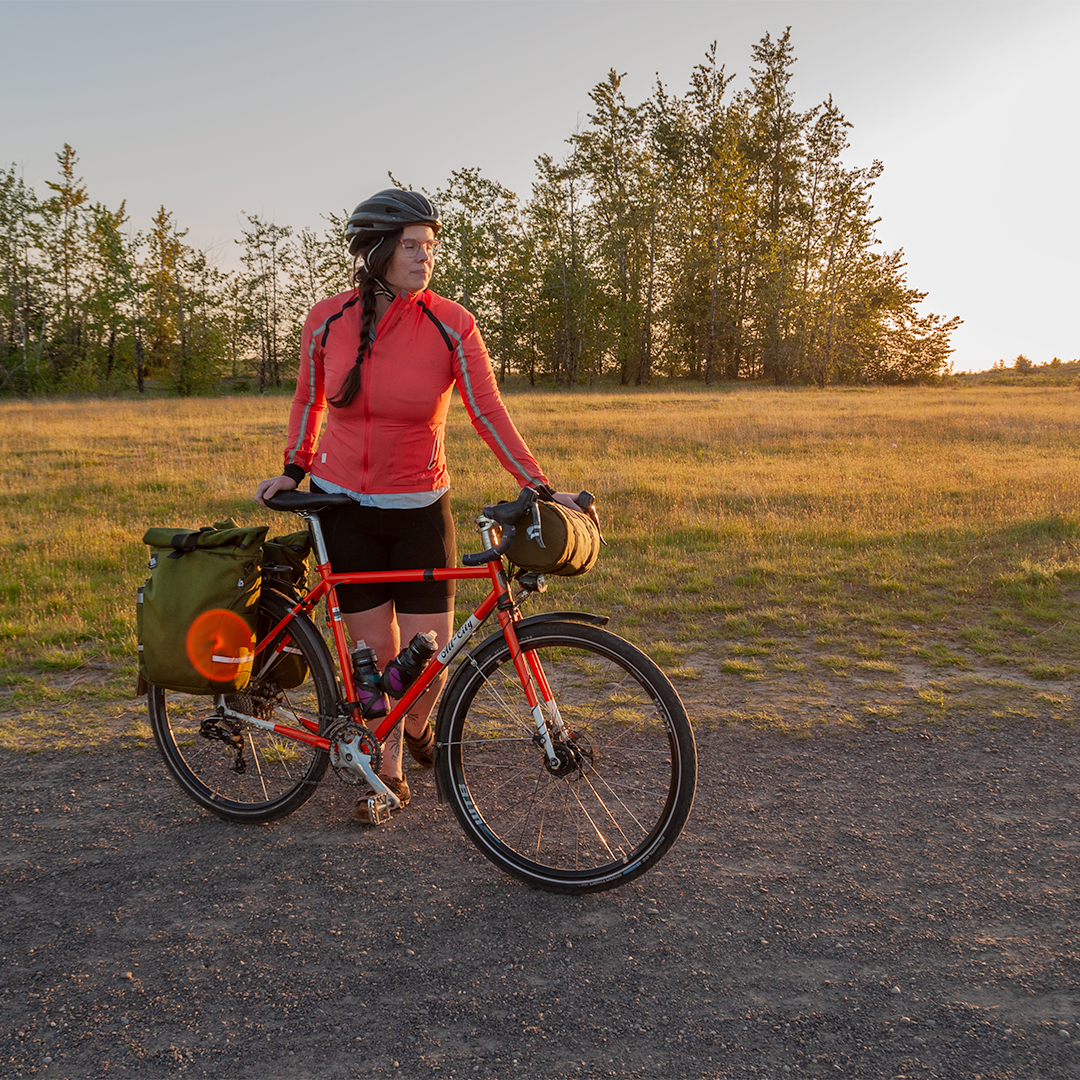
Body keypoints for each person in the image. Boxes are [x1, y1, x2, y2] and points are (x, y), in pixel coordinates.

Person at [255, 188, 570, 823]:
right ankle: (386, 777)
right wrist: (295, 467)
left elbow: (486, 410)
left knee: (427, 663)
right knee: (377, 673)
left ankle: (420, 732)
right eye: (410, 246)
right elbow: (308, 401)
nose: (425, 256)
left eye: (430, 245)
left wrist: (535, 483)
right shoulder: (326, 320)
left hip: (422, 506)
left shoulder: (450, 322)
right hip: (344, 508)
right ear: (375, 251)